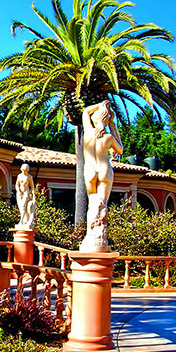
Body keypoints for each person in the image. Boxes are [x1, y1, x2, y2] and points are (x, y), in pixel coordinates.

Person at [80, 102, 122, 251]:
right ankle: (100, 239)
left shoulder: (88, 133)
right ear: (106, 120)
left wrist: (101, 105)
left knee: (93, 203)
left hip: (90, 169)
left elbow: (85, 111)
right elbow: (120, 150)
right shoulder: (109, 137)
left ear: (94, 119)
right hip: (104, 169)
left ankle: (91, 236)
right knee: (102, 204)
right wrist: (112, 125)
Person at [16, 164, 37, 229]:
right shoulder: (19, 176)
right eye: (23, 170)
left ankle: (21, 221)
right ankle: (26, 220)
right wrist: (18, 190)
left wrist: (33, 196)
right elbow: (17, 185)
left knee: (23, 206)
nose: (24, 171)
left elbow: (32, 187)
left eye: (25, 170)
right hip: (20, 193)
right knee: (20, 207)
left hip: (26, 192)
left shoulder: (29, 177)